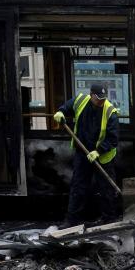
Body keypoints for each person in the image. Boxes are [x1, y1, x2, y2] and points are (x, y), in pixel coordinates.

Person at [52, 83, 121, 227]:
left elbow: (113, 139)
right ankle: (72, 221)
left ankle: (109, 220)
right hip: (82, 153)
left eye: (103, 98)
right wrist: (61, 112)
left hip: (103, 156)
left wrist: (98, 151)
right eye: (98, 98)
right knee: (78, 186)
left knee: (106, 189)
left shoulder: (110, 112)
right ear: (91, 95)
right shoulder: (80, 100)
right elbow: (67, 107)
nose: (101, 101)